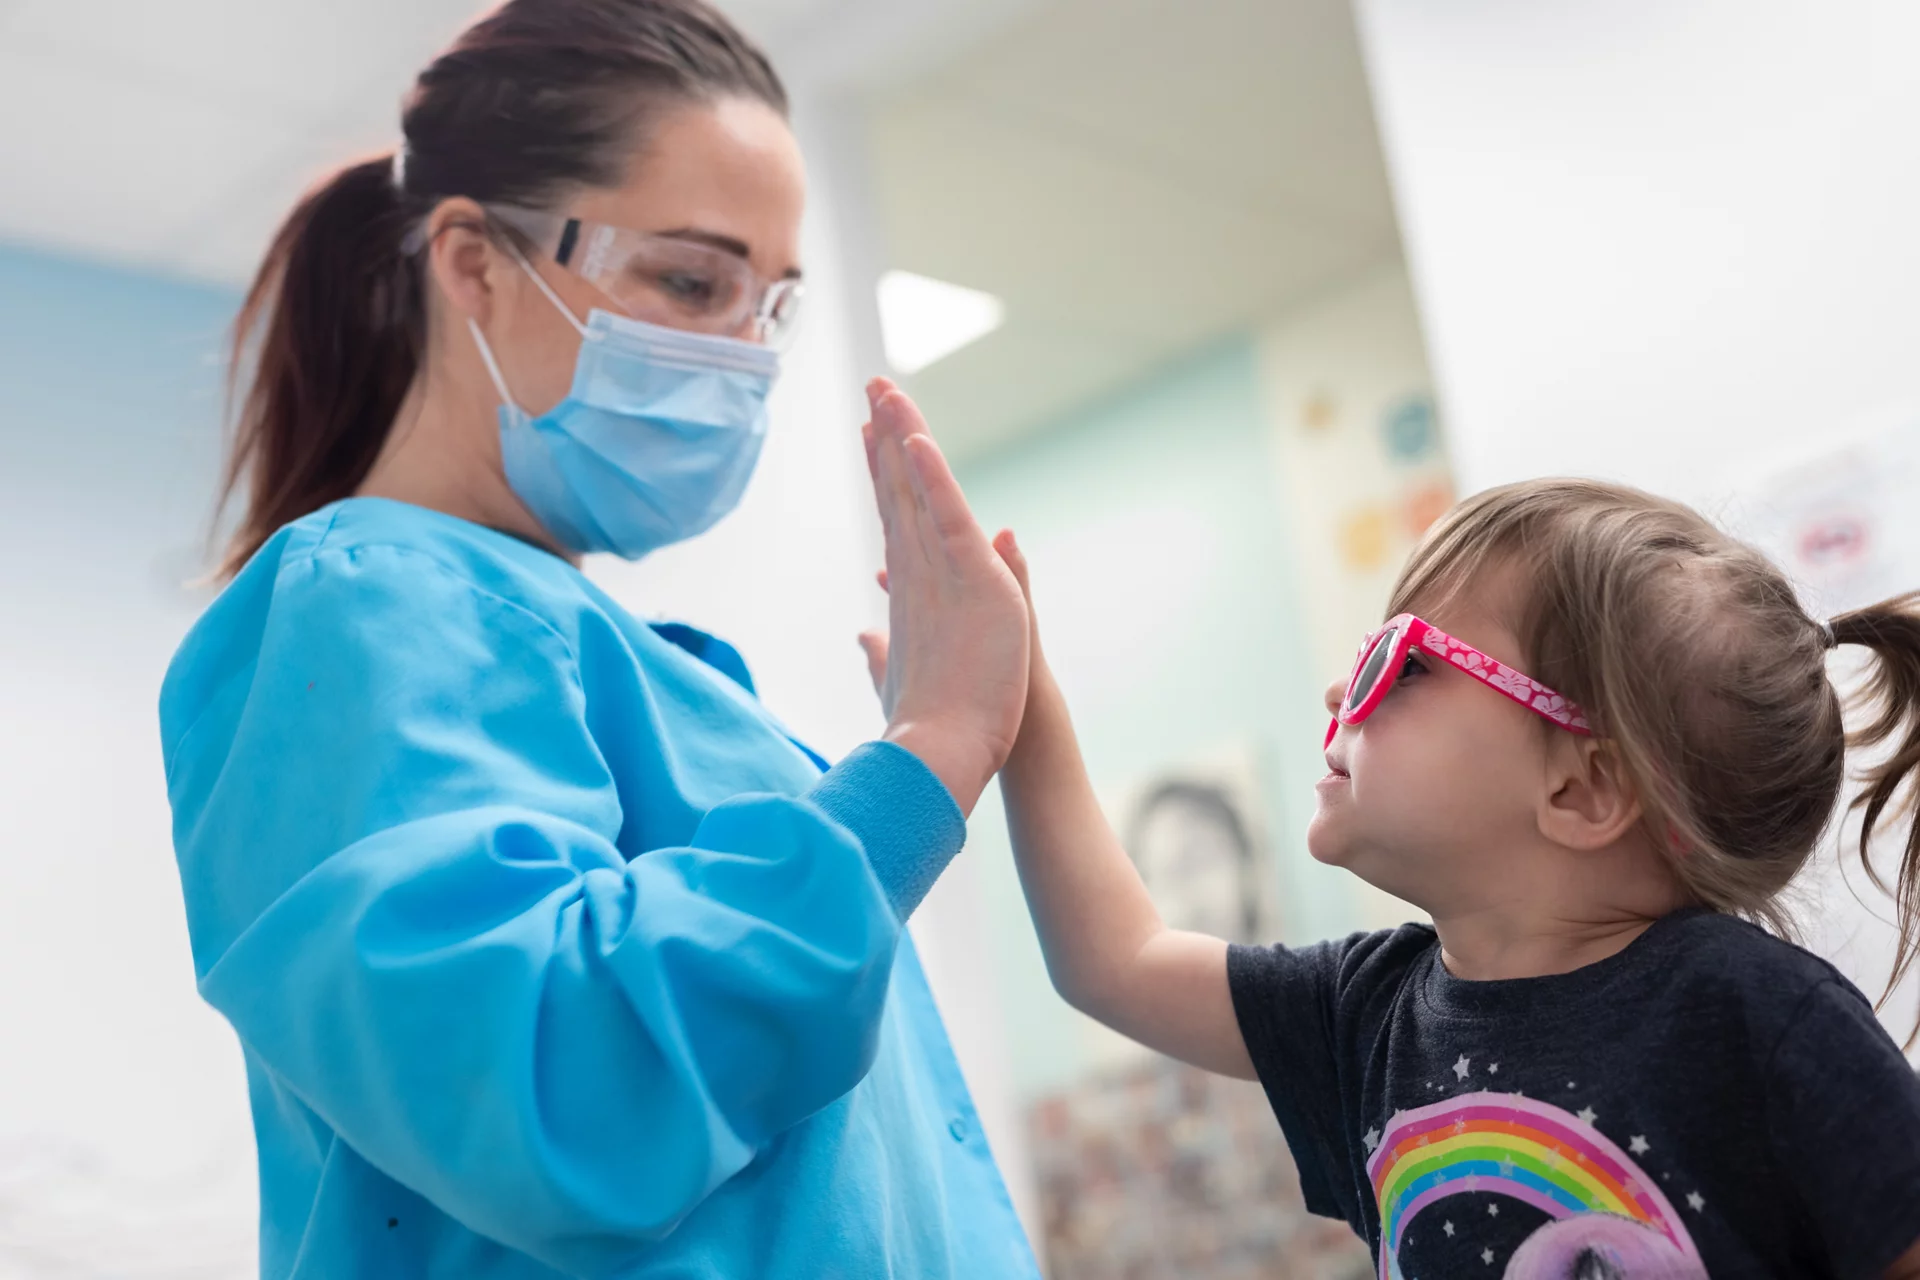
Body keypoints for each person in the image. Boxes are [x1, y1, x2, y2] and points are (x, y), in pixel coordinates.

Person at [158, 2, 1039, 1276]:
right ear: (471, 264)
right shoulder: (361, 606)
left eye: (770, 305)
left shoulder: (629, 659)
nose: (745, 355)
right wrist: (930, 753)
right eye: (691, 279)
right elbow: (559, 1088)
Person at [983, 479, 1920, 1278]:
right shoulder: (1366, 1012)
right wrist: (1015, 704)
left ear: (1581, 787)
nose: (1340, 692)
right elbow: (1117, 959)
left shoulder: (1748, 1011)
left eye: (1405, 661)